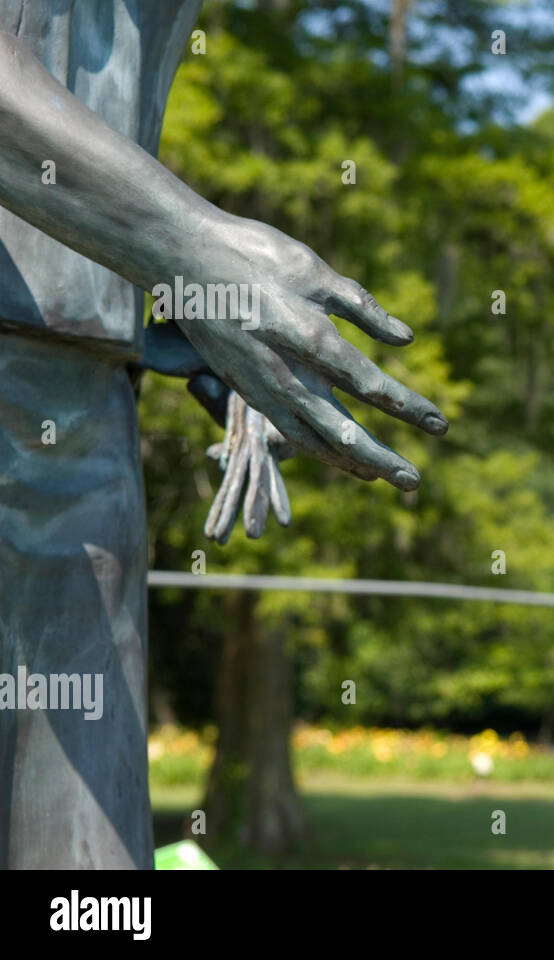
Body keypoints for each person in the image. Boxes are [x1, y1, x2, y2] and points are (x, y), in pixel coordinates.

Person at [0, 4, 445, 867]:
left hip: (82, 409)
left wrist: (203, 324)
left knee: (91, 881)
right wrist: (190, 248)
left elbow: (96, 114)